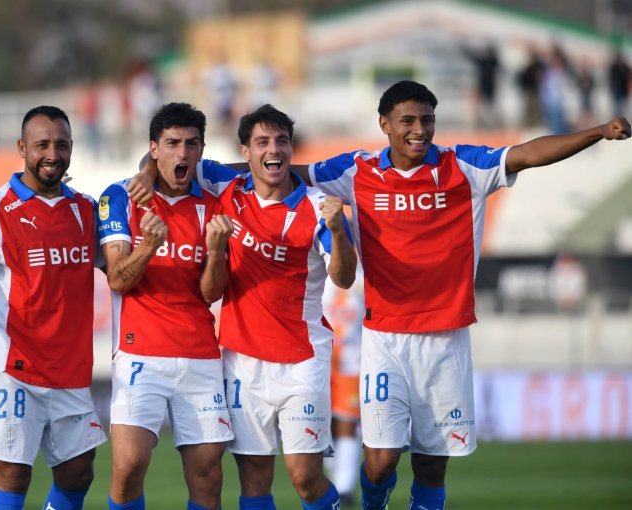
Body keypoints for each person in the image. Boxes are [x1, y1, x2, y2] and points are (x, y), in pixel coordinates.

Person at [300, 80, 630, 509]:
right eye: (408, 121)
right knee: (380, 463)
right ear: (385, 124)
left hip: (447, 339)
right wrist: (203, 174)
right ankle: (372, 502)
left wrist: (598, 131)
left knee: (432, 466)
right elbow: (280, 172)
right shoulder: (355, 171)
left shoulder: (464, 167)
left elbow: (529, 154)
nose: (420, 129)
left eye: (427, 120)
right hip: (384, 340)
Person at [131, 104, 359, 510]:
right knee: (253, 478)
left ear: (292, 148)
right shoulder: (227, 185)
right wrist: (145, 173)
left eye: (282, 141)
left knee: (305, 476)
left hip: (301, 358)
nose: (274, 150)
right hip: (241, 359)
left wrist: (339, 231)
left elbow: (342, 278)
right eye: (263, 142)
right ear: (246, 151)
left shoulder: (317, 206)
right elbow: (171, 158)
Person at [0, 106, 107, 510]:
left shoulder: (85, 210)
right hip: (14, 368)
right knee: (12, 473)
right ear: (21, 148)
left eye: (61, 144)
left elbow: (115, 270)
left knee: (78, 472)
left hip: (70, 370)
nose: (52, 153)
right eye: (42, 145)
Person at [99, 102, 234, 510]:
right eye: (172, 143)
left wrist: (214, 254)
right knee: (127, 467)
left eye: (191, 144)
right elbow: (118, 280)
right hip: (141, 354)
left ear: (202, 150)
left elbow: (212, 294)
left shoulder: (215, 205)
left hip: (199, 355)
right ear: (153, 149)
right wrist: (147, 247)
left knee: (208, 477)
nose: (182, 153)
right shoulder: (122, 197)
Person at [321, 263, 364, 508]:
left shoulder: (362, 279)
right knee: (324, 424)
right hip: (320, 360)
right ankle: (333, 482)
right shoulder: (318, 274)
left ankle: (345, 489)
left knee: (347, 422)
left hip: (350, 361)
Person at [608, 49, 631, 118]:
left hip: (623, 90)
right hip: (616, 90)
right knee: (617, 107)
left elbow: (628, 77)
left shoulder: (625, 67)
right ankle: (617, 119)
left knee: (622, 107)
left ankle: (621, 119)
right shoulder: (613, 67)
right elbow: (611, 78)